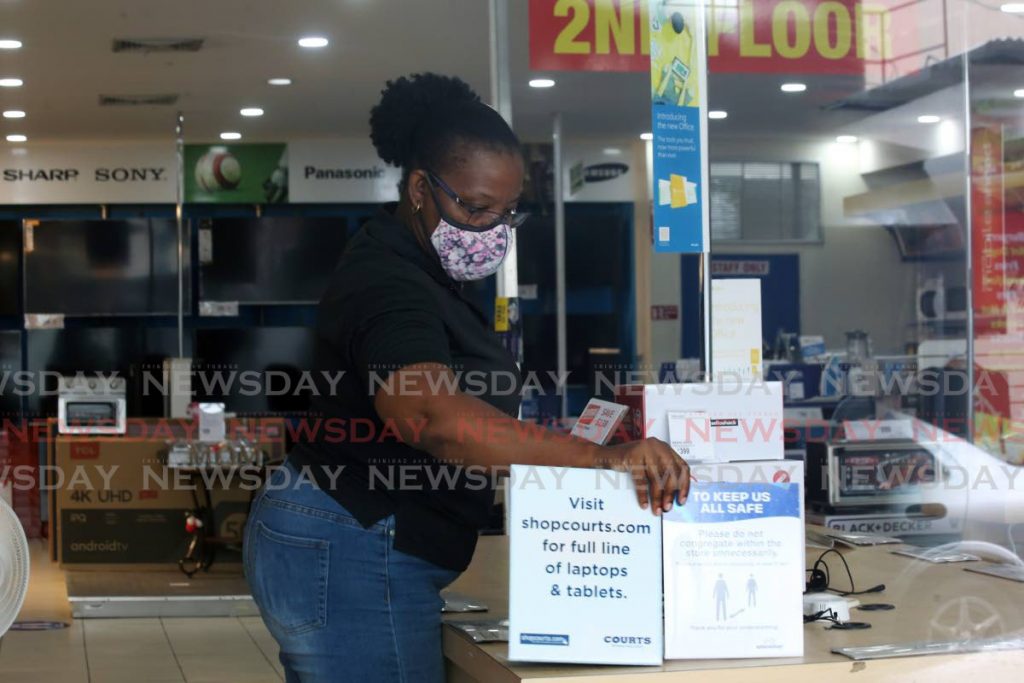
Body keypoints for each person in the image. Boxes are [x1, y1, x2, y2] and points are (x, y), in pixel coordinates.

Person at [243, 73, 690, 683]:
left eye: (506, 213)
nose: (489, 230)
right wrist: (599, 460)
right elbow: (432, 417)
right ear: (420, 188)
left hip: (354, 533)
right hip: (353, 540)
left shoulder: (419, 268)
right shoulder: (390, 281)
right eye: (474, 207)